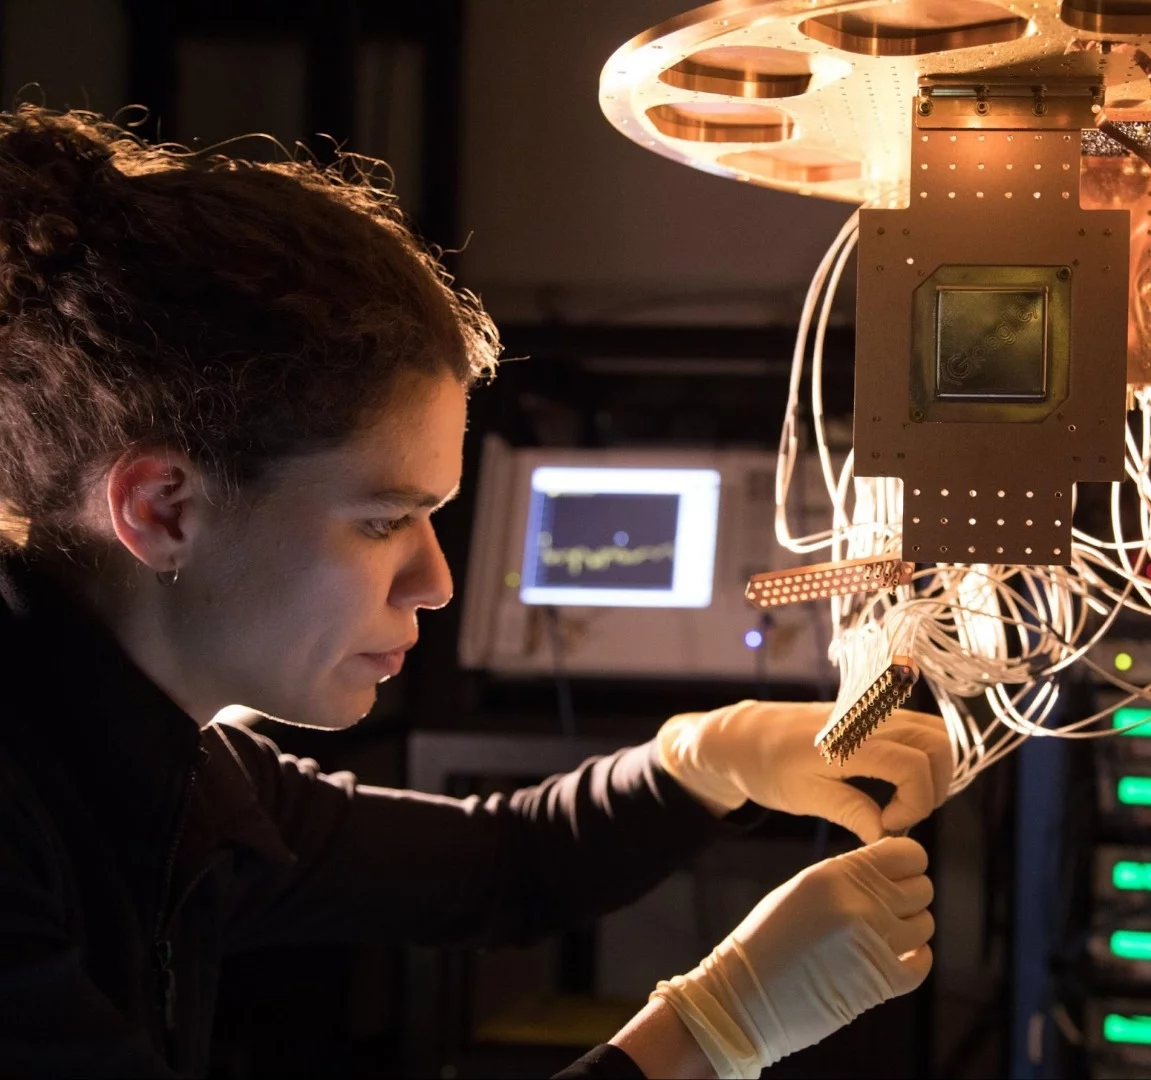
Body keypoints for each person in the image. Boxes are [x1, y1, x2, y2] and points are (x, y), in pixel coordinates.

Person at [0, 106, 951, 1079]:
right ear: (164, 508)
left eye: (433, 518)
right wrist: (710, 1034)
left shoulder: (170, 764)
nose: (436, 582)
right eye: (380, 521)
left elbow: (501, 870)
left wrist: (697, 764)